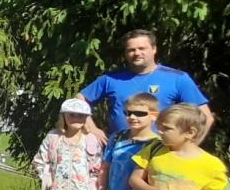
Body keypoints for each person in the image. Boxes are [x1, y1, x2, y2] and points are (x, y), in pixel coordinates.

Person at [78, 29, 213, 143]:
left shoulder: (177, 78)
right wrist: (92, 128)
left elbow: (205, 116)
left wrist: (190, 146)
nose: (137, 53)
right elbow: (80, 99)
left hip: (160, 151)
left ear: (154, 49)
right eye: (131, 50)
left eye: (142, 48)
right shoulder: (111, 79)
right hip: (121, 152)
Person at [97, 93, 159, 190]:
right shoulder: (117, 137)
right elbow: (105, 167)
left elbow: (147, 179)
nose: (132, 117)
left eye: (139, 113)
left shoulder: (157, 145)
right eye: (128, 113)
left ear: (154, 116)